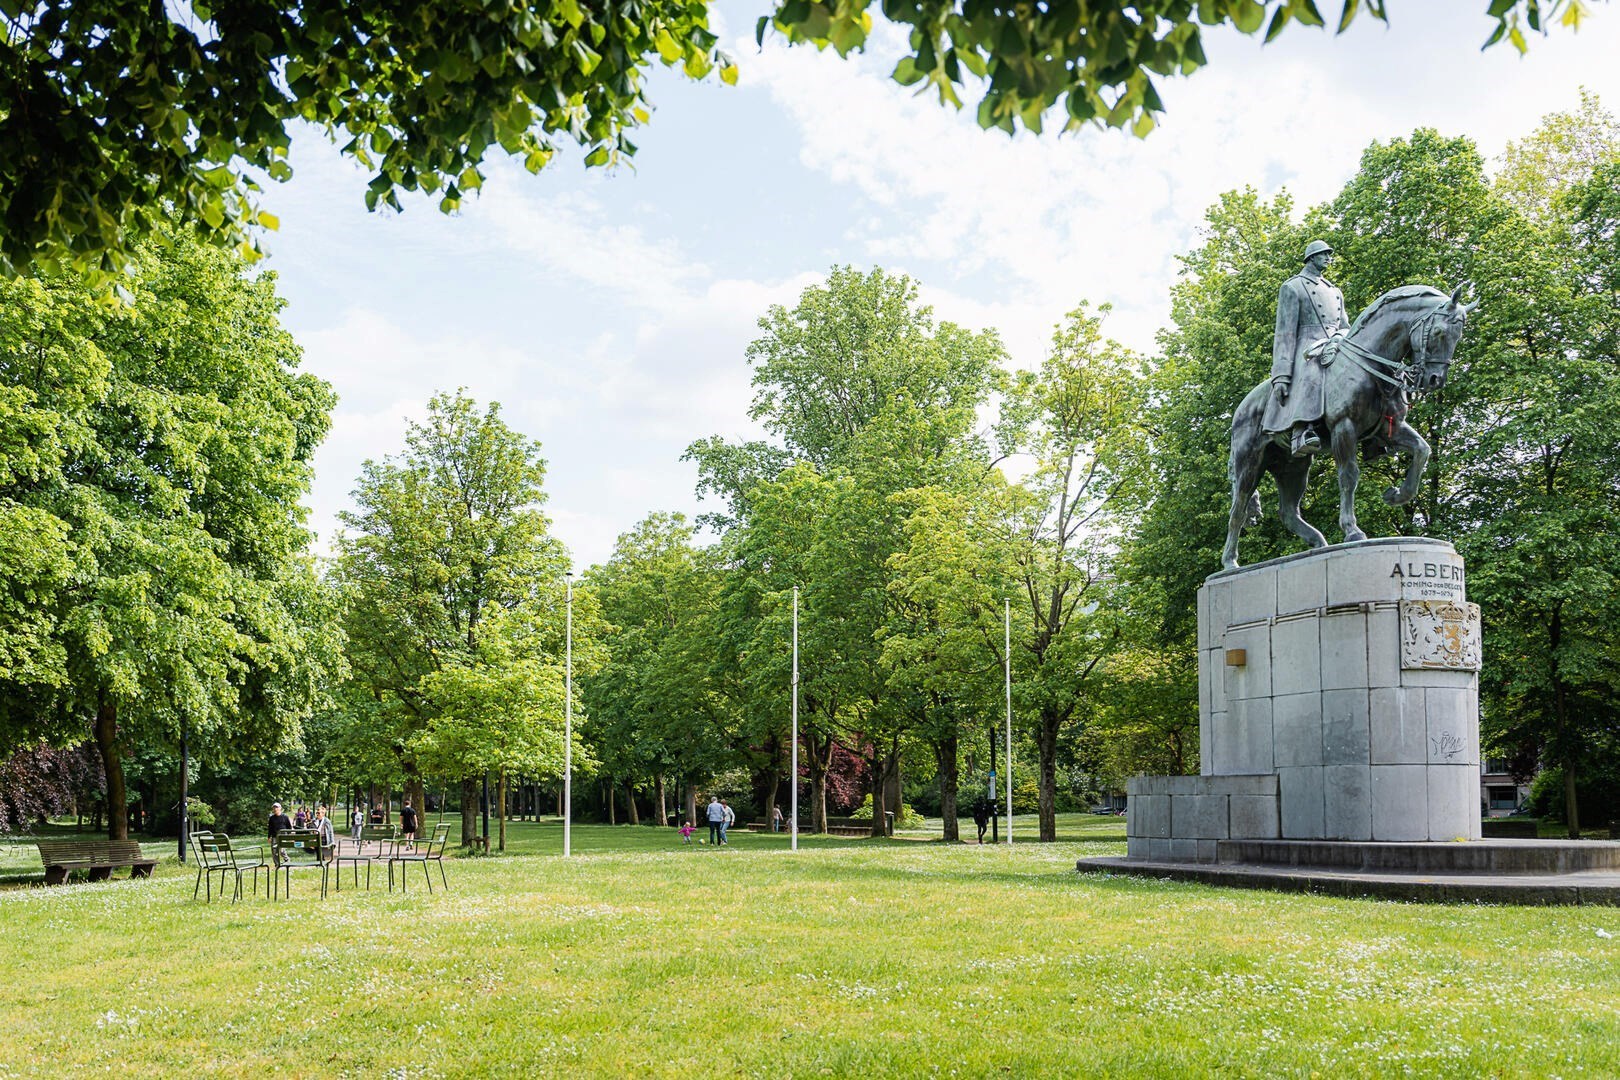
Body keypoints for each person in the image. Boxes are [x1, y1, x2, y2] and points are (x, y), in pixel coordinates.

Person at [1263, 239, 1350, 458]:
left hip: (1336, 344)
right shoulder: (1293, 287)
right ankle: (1302, 431)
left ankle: (1373, 433)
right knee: (1313, 371)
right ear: (1311, 257)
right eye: (1325, 254)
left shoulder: (1335, 291)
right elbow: (1285, 334)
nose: (1329, 259)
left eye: (1330, 255)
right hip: (1307, 345)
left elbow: (1345, 325)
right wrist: (1281, 375)